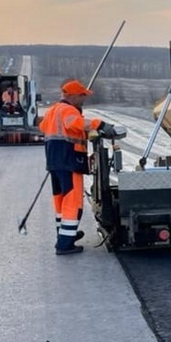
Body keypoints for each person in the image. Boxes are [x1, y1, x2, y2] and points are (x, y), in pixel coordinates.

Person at [39, 79, 116, 255]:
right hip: (69, 160)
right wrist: (100, 125)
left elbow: (44, 126)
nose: (83, 99)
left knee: (61, 200)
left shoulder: (52, 111)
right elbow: (76, 123)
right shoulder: (67, 110)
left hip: (55, 161)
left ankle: (65, 235)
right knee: (72, 202)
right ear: (72, 95)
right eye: (81, 96)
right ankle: (65, 244)